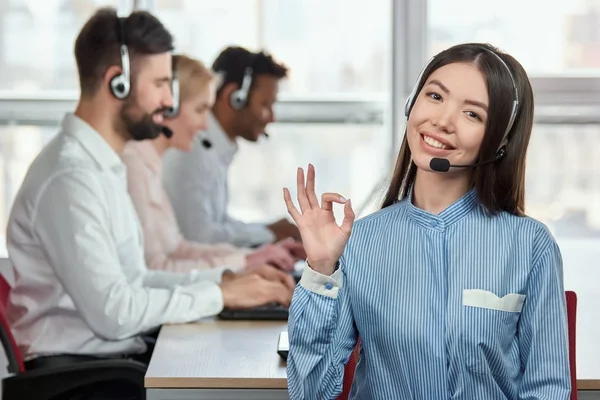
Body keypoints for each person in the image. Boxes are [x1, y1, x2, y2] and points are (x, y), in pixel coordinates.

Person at [6, 7, 294, 385]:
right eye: (160, 84)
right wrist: (220, 296)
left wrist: (225, 282)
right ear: (117, 83)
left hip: (110, 362)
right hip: (84, 377)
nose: (167, 102)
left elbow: (137, 280)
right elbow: (115, 313)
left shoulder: (103, 167)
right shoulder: (70, 179)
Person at [284, 43, 571, 399]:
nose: (442, 121)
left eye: (472, 115)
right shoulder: (360, 240)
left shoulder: (530, 245)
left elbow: (547, 390)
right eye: (435, 96)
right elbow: (311, 393)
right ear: (412, 104)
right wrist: (321, 269)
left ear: (498, 141)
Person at [121, 54, 305, 273]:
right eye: (200, 110)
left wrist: (257, 255)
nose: (204, 124)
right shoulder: (185, 156)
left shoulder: (160, 161)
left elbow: (180, 247)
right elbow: (192, 241)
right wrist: (248, 262)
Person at [162, 46, 301, 248]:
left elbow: (219, 223)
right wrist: (268, 234)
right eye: (265, 105)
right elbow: (198, 236)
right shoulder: (192, 151)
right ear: (234, 98)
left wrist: (269, 230)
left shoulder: (214, 150)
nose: (271, 117)